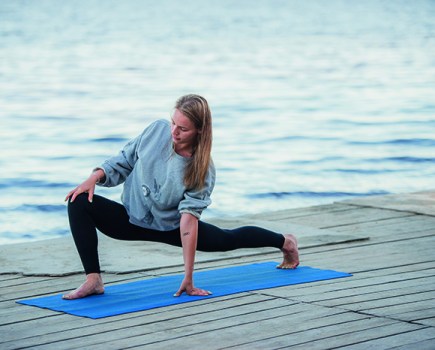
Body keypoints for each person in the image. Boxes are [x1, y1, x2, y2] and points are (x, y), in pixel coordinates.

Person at [63, 94, 299, 300]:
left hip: (171, 226)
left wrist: (188, 278)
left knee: (228, 239)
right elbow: (123, 161)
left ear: (199, 131)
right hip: (129, 218)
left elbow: (188, 222)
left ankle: (285, 242)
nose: (174, 132)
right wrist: (94, 177)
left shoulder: (202, 168)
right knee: (79, 200)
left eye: (183, 128)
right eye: (173, 123)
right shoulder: (156, 130)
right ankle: (93, 280)